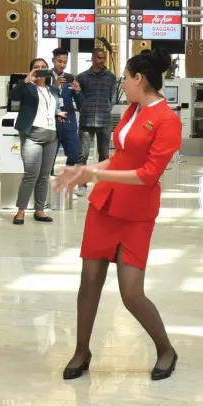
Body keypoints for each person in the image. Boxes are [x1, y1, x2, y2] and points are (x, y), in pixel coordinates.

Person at [53, 50, 182, 381]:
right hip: (105, 204)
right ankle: (82, 351)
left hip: (137, 211)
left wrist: (93, 175)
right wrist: (86, 169)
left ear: (140, 79)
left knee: (130, 293)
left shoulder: (168, 120)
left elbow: (147, 175)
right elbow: (120, 158)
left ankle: (166, 348)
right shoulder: (131, 111)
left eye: (126, 78)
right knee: (90, 280)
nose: (123, 84)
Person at [11, 57, 63, 225]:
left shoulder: (52, 90)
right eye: (36, 67)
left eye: (43, 67)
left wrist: (58, 114)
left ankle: (39, 210)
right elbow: (13, 96)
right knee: (31, 175)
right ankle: (21, 211)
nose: (40, 69)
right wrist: (27, 80)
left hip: (51, 136)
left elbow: (51, 108)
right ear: (31, 70)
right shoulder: (27, 87)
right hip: (32, 135)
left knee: (44, 175)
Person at [77, 46, 119, 164]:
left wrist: (106, 108)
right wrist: (84, 109)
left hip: (104, 121)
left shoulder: (111, 77)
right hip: (86, 120)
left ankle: (103, 182)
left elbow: (113, 97)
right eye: (99, 58)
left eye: (104, 58)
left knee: (104, 156)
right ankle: (81, 182)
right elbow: (78, 97)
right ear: (93, 58)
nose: (102, 60)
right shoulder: (82, 77)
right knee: (82, 155)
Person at [51, 46, 83, 168]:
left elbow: (80, 105)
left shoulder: (71, 78)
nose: (62, 65)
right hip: (52, 124)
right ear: (53, 60)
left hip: (69, 124)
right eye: (59, 61)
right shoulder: (45, 77)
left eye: (65, 62)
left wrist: (78, 91)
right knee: (49, 159)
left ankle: (66, 179)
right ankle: (49, 183)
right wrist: (54, 86)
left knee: (75, 155)